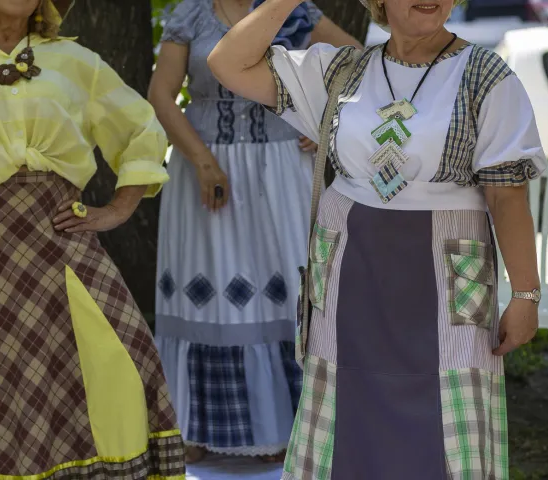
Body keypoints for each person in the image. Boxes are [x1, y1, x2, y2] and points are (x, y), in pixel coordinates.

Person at [208, 0, 545, 477]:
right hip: (351, 273)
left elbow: (507, 196)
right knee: (351, 413)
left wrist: (526, 294)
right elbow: (227, 62)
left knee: (442, 420)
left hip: (444, 279)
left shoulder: (486, 76)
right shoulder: (340, 72)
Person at [0, 1, 185, 478]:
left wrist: (117, 209)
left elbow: (142, 129)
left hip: (58, 237)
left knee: (126, 355)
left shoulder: (77, 62)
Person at [148, 0, 363, 464]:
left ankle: (286, 429)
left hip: (281, 171)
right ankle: (192, 426)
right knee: (205, 292)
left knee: (285, 292)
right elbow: (161, 95)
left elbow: (360, 65)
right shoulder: (191, 12)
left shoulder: (293, 10)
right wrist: (203, 163)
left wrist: (327, 120)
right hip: (204, 169)